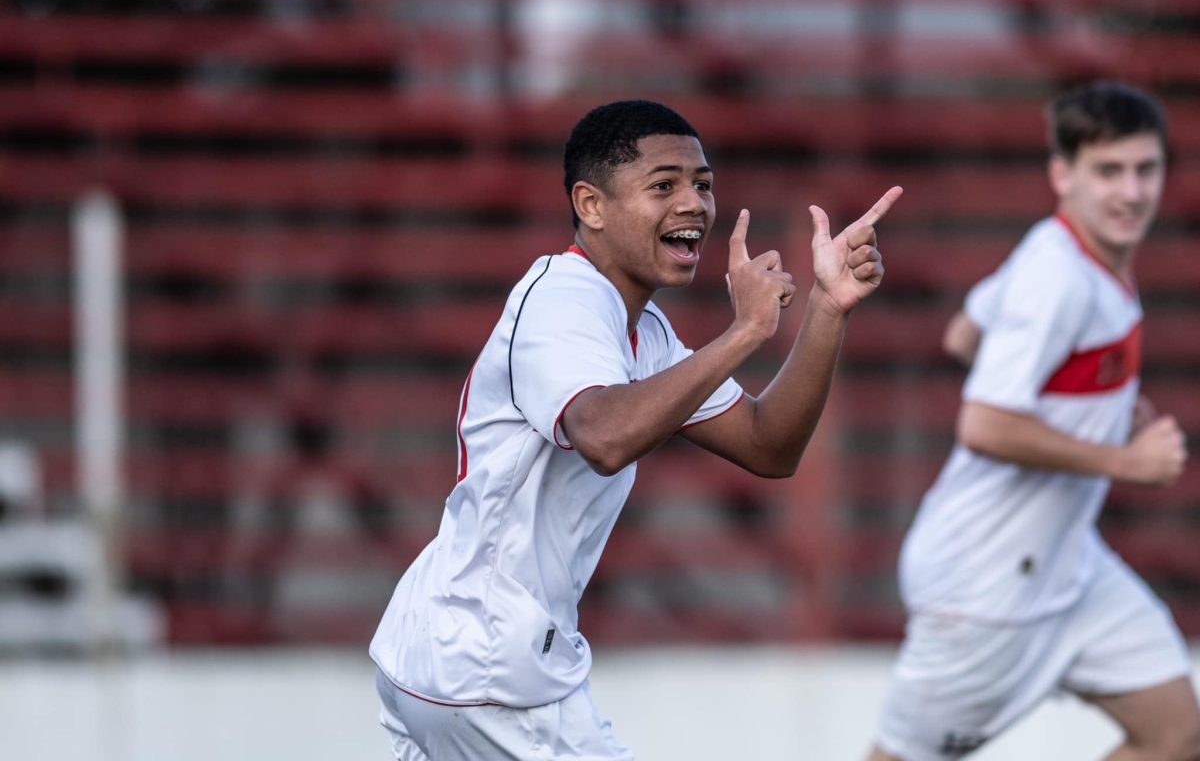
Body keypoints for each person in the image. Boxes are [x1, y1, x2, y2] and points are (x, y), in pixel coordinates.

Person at [370, 99, 902, 760]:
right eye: (664, 186)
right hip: (487, 671)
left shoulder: (642, 330)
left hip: (449, 655)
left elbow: (769, 445)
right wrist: (745, 331)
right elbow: (604, 437)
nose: (694, 205)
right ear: (591, 206)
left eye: (703, 185)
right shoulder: (563, 300)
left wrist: (827, 308)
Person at [868, 81, 1200, 760]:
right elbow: (984, 425)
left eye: (1146, 169)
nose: (1132, 192)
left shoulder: (1066, 247)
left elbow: (965, 334)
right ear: (1062, 174)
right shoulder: (1059, 276)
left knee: (1177, 735)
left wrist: (1100, 407)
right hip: (986, 585)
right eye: (1108, 171)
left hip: (1067, 564)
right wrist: (1124, 460)